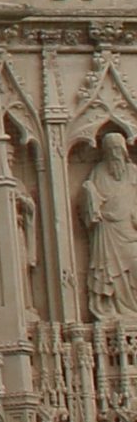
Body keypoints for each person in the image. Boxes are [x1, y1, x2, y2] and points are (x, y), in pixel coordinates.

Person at [84, 129, 137, 321]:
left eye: (118, 149)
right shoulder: (98, 172)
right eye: (111, 149)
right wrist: (89, 193)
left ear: (124, 151)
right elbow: (90, 203)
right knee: (110, 273)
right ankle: (114, 309)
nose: (115, 154)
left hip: (129, 230)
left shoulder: (133, 172)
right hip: (108, 231)